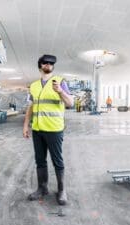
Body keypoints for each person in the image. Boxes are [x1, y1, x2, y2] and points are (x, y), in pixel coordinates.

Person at [23, 54, 74, 205]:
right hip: (37, 130)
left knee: (57, 161)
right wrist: (26, 125)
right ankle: (42, 188)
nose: (48, 65)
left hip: (54, 129)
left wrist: (60, 92)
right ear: (40, 66)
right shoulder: (33, 86)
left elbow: (70, 103)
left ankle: (62, 190)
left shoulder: (61, 82)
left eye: (51, 63)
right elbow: (30, 107)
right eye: (45, 63)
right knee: (40, 161)